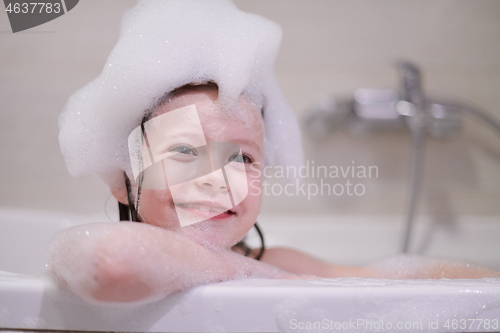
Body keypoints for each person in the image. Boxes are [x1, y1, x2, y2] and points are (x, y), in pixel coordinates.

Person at [48, 0, 499, 305]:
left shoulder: (278, 262)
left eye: (241, 158)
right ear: (120, 180)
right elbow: (113, 263)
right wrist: (257, 278)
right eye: (184, 150)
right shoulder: (89, 246)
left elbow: (394, 279)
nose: (216, 177)